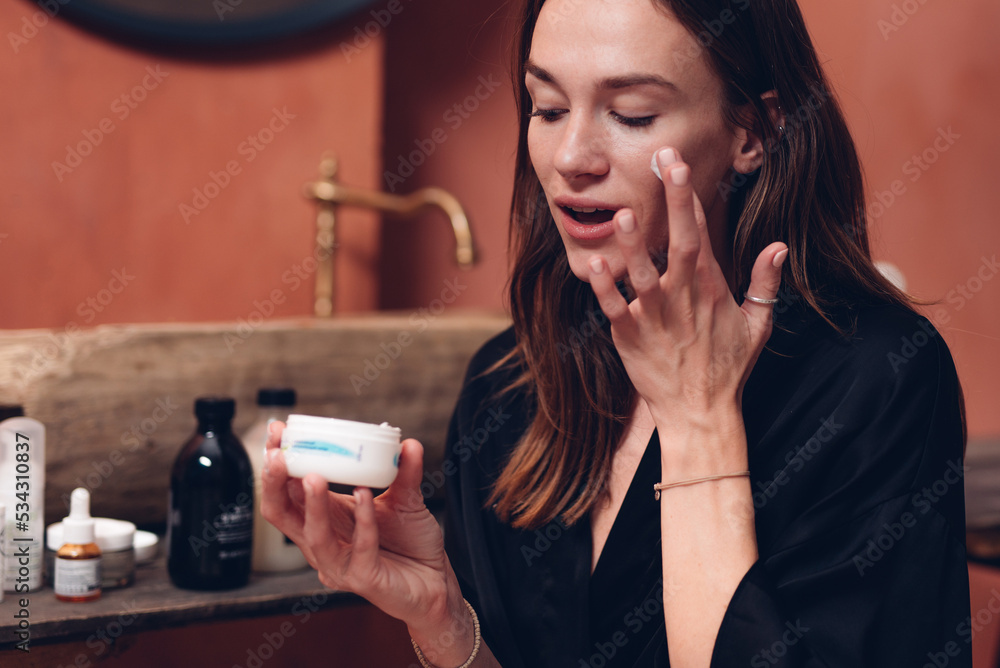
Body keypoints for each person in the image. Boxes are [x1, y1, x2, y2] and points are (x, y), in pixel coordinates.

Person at [261, 0, 971, 665]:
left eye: (631, 115)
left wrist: (699, 425)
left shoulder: (882, 380)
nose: (571, 156)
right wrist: (444, 621)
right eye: (547, 106)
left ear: (753, 132)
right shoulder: (509, 383)